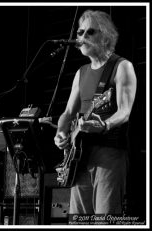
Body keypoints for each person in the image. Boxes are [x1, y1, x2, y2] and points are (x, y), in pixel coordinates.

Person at [53, 10, 137, 216]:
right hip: (78, 154)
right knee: (78, 218)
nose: (82, 38)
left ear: (106, 36)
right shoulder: (81, 72)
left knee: (104, 218)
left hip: (109, 152)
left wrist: (105, 125)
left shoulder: (122, 66)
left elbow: (125, 112)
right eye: (80, 32)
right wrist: (61, 134)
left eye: (90, 32)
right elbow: (68, 112)